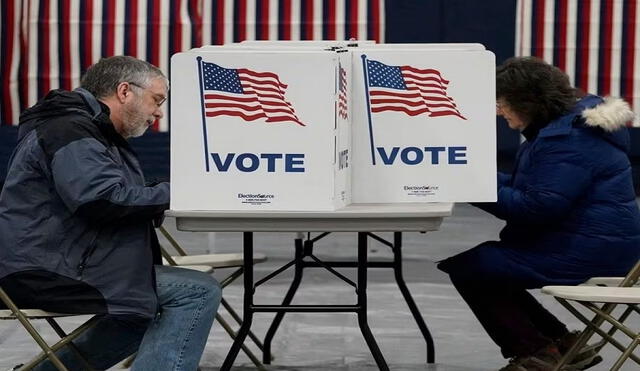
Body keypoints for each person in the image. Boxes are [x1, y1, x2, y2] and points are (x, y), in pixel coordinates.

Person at [0, 56, 221, 370]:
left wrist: (164, 191)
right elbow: (102, 200)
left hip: (56, 260)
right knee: (196, 292)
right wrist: (185, 191)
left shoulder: (82, 127)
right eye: (157, 100)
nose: (159, 113)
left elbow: (107, 193)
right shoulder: (71, 129)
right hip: (44, 270)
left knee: (138, 312)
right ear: (125, 91)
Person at [438, 57, 640, 371]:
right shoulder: (566, 130)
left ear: (528, 102)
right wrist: (470, 176)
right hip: (600, 245)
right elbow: (534, 189)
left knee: (476, 268)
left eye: (500, 102)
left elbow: (536, 208)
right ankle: (562, 344)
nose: (497, 110)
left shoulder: (568, 141)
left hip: (593, 254)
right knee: (486, 265)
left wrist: (470, 183)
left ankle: (537, 354)